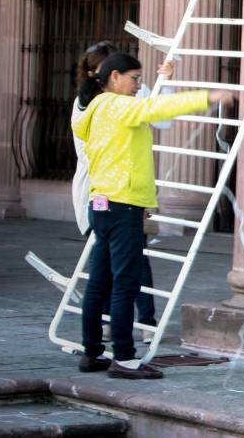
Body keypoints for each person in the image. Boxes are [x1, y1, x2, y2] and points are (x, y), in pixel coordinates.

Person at [72, 52, 235, 379]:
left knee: (99, 282)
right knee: (125, 282)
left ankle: (92, 352)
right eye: (134, 78)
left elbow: (130, 138)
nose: (138, 85)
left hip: (102, 202)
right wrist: (208, 97)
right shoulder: (118, 106)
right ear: (114, 77)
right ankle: (125, 358)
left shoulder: (95, 108)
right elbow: (158, 109)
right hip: (123, 204)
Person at [72, 42, 172, 340]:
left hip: (112, 194)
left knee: (116, 265)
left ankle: (127, 330)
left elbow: (161, 116)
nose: (137, 84)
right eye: (133, 78)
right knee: (115, 268)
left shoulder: (120, 98)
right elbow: (160, 115)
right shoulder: (95, 105)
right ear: (108, 75)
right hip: (110, 193)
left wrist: (165, 82)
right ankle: (118, 342)